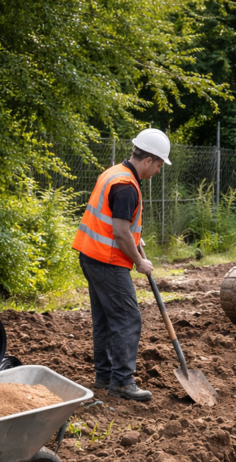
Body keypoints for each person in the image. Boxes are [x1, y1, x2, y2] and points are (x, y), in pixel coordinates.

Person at [71, 129, 171, 401]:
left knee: (105, 319)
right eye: (159, 165)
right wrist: (139, 262)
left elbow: (120, 225)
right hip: (108, 261)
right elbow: (118, 230)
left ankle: (105, 376)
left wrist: (136, 241)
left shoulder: (114, 172)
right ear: (148, 160)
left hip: (91, 255)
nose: (158, 171)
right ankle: (123, 382)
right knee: (127, 319)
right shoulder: (127, 186)